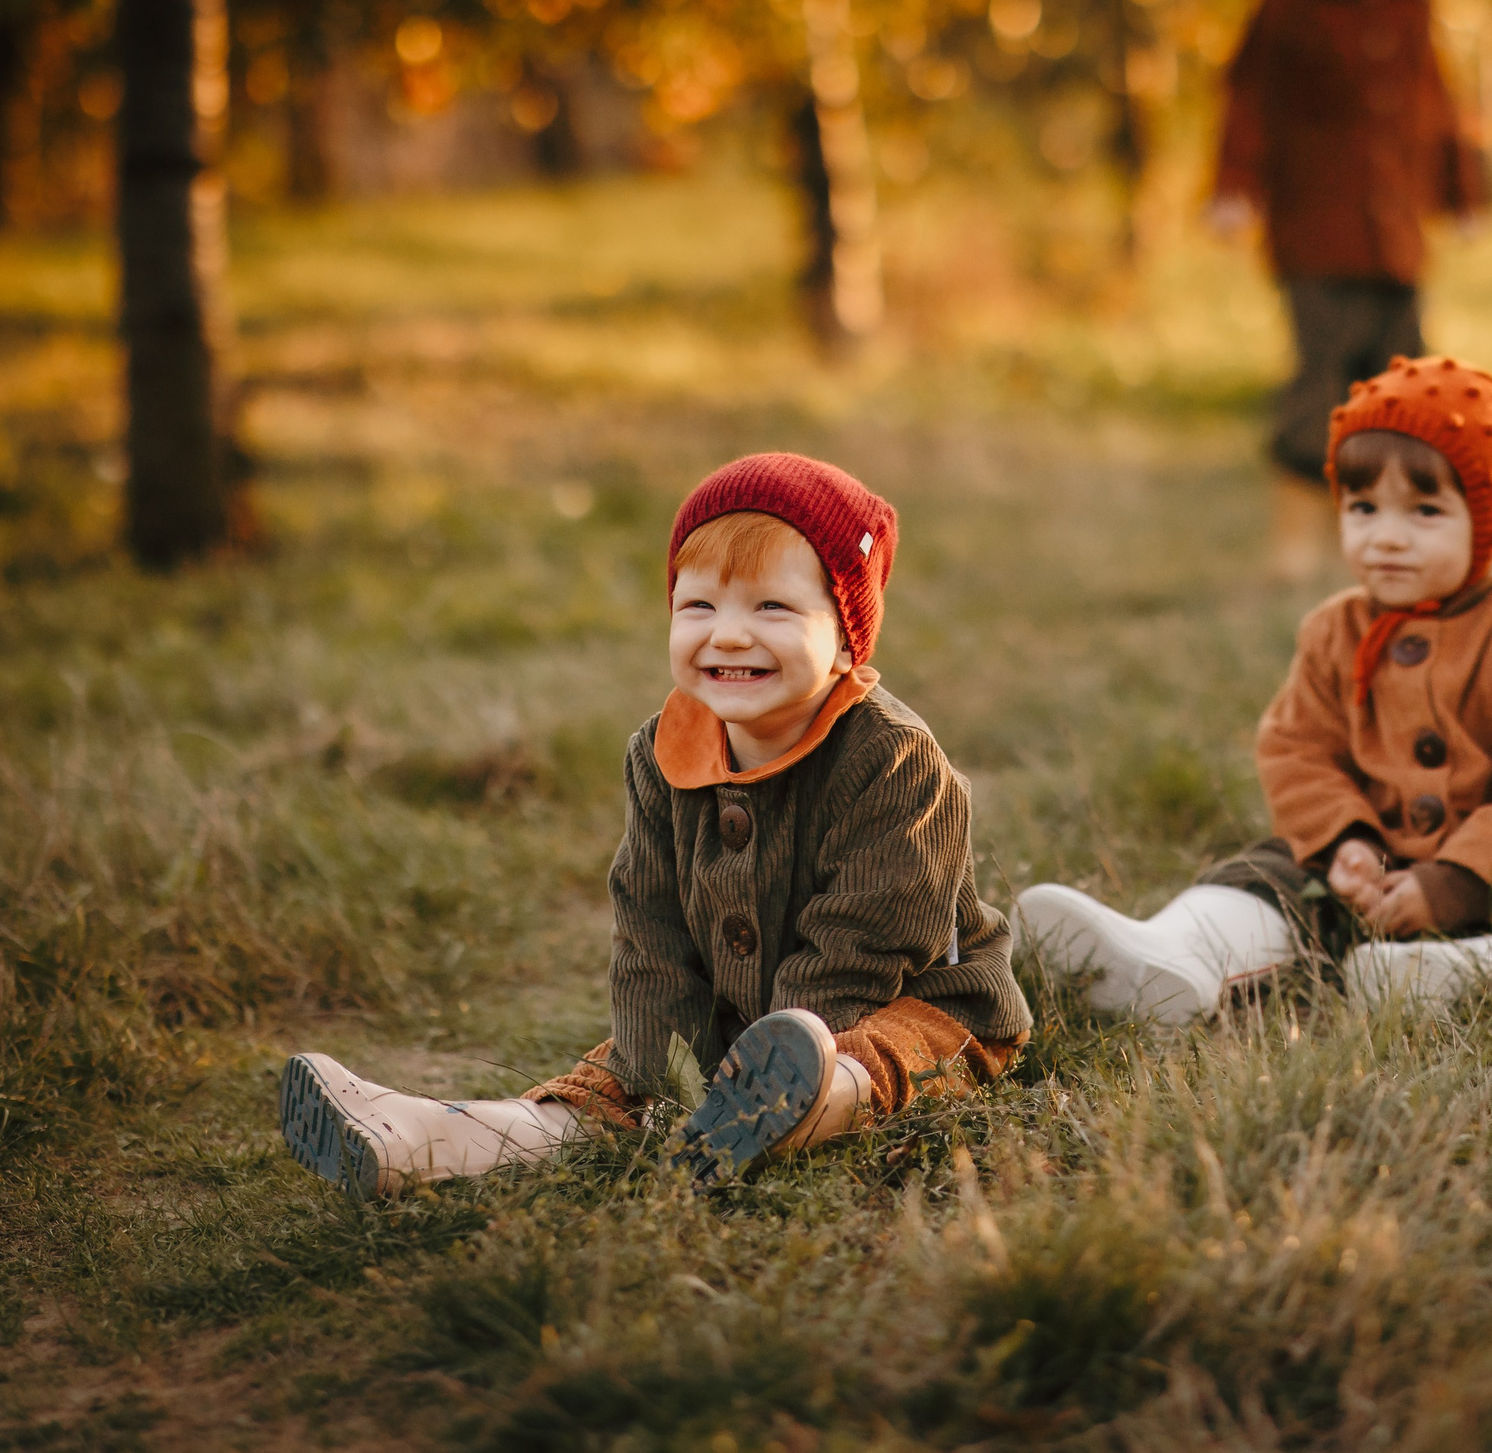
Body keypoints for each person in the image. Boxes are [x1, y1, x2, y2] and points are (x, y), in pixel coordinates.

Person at [278, 454, 1033, 1198]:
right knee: (621, 1077)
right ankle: (425, 1137)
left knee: (884, 1055)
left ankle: (802, 1107)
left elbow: (869, 934)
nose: (728, 635)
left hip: (900, 1001)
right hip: (732, 1016)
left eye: (772, 607)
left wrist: (784, 1045)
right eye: (698, 606)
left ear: (844, 638)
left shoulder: (892, 757)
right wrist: (664, 1072)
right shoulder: (661, 754)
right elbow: (649, 925)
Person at [1017, 357, 1492, 1019]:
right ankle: (1175, 957)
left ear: (1489, 520)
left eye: (1424, 511)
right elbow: (1296, 751)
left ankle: (1451, 974)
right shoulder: (1334, 629)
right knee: (1267, 873)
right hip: (1369, 886)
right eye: (1363, 508)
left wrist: (1453, 885)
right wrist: (1347, 845)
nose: (1386, 537)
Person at [1208, 0, 1490, 584]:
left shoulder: (1412, 1)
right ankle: (1296, 537)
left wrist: (1463, 191)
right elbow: (1248, 98)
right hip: (1315, 234)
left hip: (1395, 236)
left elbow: (1439, 102)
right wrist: (1233, 186)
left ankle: (1390, 532)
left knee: (1401, 388)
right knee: (1320, 380)